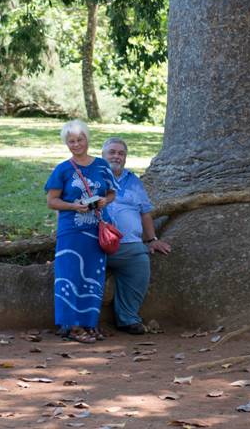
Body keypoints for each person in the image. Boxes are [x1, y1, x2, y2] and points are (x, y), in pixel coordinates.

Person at [45, 120, 119, 343]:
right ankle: (71, 326)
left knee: (93, 277)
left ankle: (90, 323)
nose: (76, 145)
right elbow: (51, 201)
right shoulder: (63, 169)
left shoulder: (102, 166)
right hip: (72, 230)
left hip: (96, 230)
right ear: (67, 144)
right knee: (70, 275)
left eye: (80, 140)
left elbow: (112, 192)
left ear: (87, 139)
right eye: (71, 141)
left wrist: (105, 200)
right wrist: (73, 206)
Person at [103, 137, 171, 335]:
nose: (116, 156)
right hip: (96, 243)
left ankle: (127, 319)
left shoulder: (133, 181)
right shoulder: (93, 177)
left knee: (140, 266)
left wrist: (152, 240)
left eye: (121, 153)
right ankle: (84, 322)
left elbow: (145, 212)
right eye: (112, 152)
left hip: (128, 245)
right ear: (103, 155)